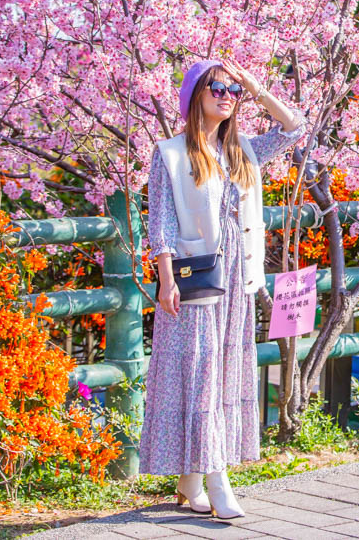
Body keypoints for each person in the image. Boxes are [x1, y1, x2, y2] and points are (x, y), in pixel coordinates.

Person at [139, 57, 307, 518]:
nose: (227, 96)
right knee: (203, 371)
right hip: (196, 278)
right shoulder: (170, 153)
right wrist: (166, 280)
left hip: (239, 275)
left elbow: (295, 128)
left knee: (224, 369)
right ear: (196, 95)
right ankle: (217, 479)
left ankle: (190, 483)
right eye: (218, 88)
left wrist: (255, 85)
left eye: (233, 91)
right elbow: (162, 225)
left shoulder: (244, 150)